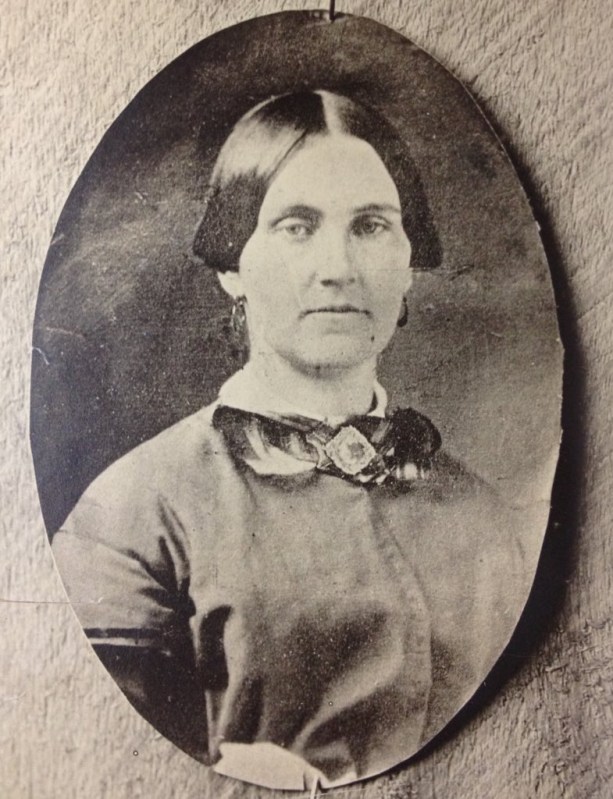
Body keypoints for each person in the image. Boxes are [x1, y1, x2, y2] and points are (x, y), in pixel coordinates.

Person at [52, 90, 527, 791]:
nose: (338, 266)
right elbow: (84, 751)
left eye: (371, 225)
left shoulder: (481, 517)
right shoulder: (131, 514)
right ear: (231, 265)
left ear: (408, 260)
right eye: (297, 227)